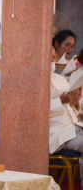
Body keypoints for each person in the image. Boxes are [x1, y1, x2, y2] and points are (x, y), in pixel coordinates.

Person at [50, 46, 83, 189]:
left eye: (53, 57)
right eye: (49, 58)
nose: (53, 61)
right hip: (56, 131)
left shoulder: (60, 78)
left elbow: (72, 110)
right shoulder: (32, 82)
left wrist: (74, 103)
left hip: (73, 125)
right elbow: (33, 112)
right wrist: (62, 101)